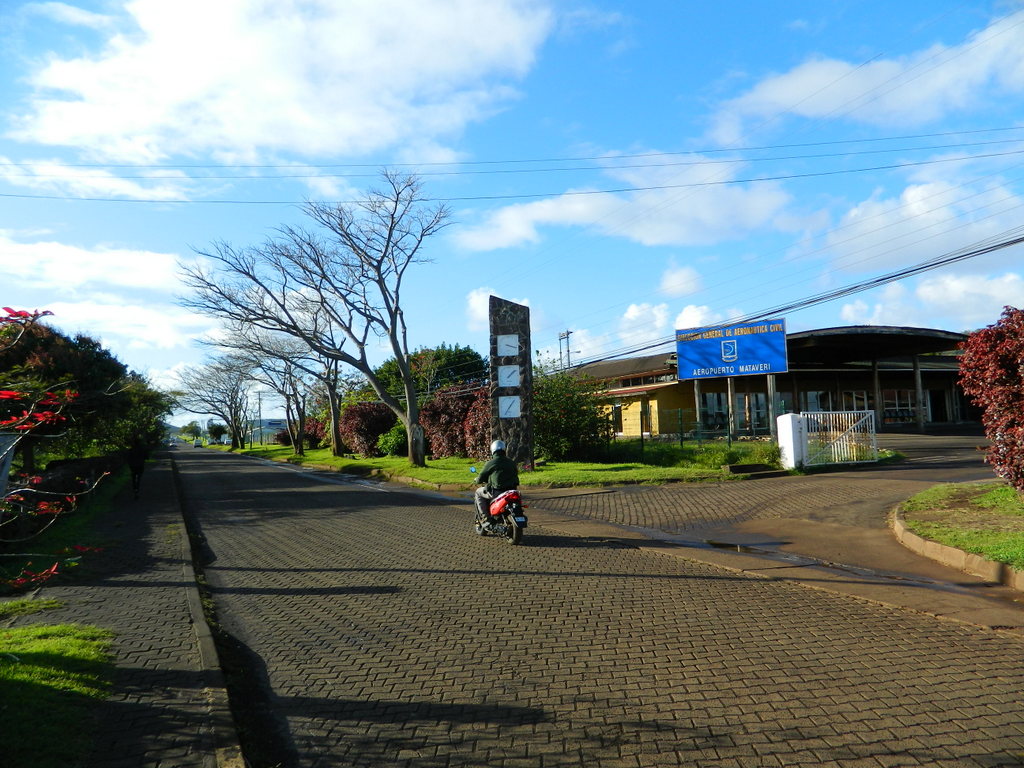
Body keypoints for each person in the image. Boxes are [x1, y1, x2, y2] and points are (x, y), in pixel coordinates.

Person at [475, 439, 519, 525]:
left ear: (493, 450)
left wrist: (477, 480)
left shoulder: (491, 463)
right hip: (512, 491)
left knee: (478, 492)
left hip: (497, 492)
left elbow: (480, 477)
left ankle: (486, 518)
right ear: (504, 449)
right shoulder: (511, 462)